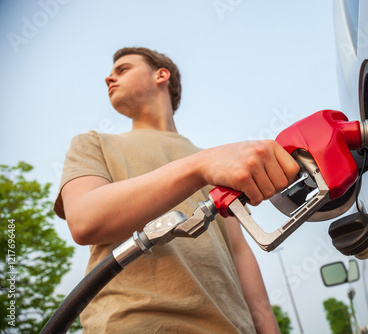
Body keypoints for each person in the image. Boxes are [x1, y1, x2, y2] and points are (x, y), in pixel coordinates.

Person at [54, 47, 299, 333]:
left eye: (123, 70)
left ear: (161, 75)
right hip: (136, 323)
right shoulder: (93, 143)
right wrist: (198, 166)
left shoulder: (217, 163)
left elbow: (240, 252)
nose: (109, 79)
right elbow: (85, 221)